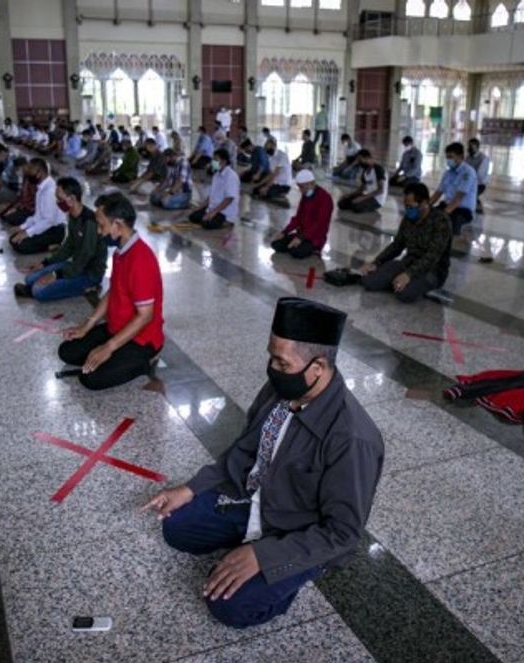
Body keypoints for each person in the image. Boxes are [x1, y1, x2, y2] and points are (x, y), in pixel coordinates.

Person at [142, 297, 384, 629]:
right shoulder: (279, 390)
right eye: (271, 357)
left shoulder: (352, 438)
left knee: (230, 607)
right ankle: (248, 542)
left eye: (282, 363)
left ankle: (290, 570)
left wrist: (264, 556)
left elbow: (342, 533)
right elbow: (243, 454)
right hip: (259, 500)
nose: (272, 369)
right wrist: (191, 488)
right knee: (177, 527)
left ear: (318, 367)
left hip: (300, 531)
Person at [58, 192, 164, 391]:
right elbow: (114, 290)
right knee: (67, 351)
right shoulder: (120, 252)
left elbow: (145, 316)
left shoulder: (141, 260)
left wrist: (108, 347)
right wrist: (87, 325)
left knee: (91, 378)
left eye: (102, 225)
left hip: (141, 339)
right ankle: (115, 351)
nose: (99, 232)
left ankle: (146, 361)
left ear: (118, 225)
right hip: (117, 328)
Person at [14, 177, 108, 302]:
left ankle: (90, 286)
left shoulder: (89, 221)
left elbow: (85, 256)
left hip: (89, 272)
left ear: (72, 199)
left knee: (38, 291)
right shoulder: (73, 216)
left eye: (59, 198)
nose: (57, 202)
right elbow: (68, 245)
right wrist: (46, 263)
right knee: (30, 279)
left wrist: (56, 275)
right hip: (76, 265)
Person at [359, 183, 452, 303]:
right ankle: (397, 281)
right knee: (369, 281)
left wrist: (408, 274)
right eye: (406, 206)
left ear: (424, 203)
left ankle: (406, 283)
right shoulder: (409, 219)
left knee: (404, 294)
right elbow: (397, 245)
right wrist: (377, 262)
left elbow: (432, 256)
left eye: (411, 206)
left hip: (433, 270)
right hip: (408, 262)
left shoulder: (441, 221)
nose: (408, 210)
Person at [7, 158, 67, 254]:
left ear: (40, 173)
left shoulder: (50, 191)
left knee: (21, 245)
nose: (28, 173)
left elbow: (49, 221)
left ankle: (52, 245)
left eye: (31, 170)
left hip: (55, 230)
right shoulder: (41, 187)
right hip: (45, 225)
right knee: (13, 239)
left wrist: (27, 233)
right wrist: (22, 227)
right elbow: (38, 216)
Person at [270, 170, 333, 259]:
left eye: (302, 187)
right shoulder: (306, 195)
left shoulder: (325, 198)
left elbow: (319, 224)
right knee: (276, 244)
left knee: (296, 252)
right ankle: (299, 245)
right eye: (299, 187)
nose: (300, 190)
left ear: (311, 183)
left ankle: (314, 249)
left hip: (314, 237)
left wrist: (301, 238)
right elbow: (298, 217)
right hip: (301, 234)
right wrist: (284, 232)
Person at [429, 142, 477, 234]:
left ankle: (452, 245)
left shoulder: (468, 172)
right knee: (429, 217)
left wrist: (444, 213)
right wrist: (427, 205)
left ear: (461, 157)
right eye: (447, 157)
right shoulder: (448, 173)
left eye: (451, 157)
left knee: (451, 224)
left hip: (463, 210)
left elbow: (459, 197)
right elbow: (438, 192)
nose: (448, 160)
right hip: (447, 205)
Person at [190, 148, 240, 230]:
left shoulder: (231, 176)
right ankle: (211, 216)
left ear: (223, 161)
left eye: (216, 159)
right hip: (213, 207)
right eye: (213, 159)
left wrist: (213, 212)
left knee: (206, 223)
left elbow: (229, 199)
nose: (213, 162)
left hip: (224, 212)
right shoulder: (216, 175)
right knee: (193, 217)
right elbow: (211, 195)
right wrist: (200, 207)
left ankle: (227, 222)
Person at [337, 150, 386, 214]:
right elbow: (361, 189)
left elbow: (381, 190)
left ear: (367, 158)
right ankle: (356, 204)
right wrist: (348, 195)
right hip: (367, 195)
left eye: (360, 160)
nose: (359, 162)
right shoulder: (365, 172)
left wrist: (362, 198)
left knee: (356, 207)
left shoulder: (378, 169)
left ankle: (359, 204)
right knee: (341, 203)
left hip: (376, 200)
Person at [251, 139, 293, 208]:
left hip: (284, 185)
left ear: (274, 146)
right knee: (256, 190)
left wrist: (266, 187)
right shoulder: (270, 158)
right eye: (266, 148)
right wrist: (258, 184)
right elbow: (270, 175)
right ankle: (275, 193)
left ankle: (282, 194)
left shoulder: (282, 156)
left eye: (269, 147)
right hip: (275, 183)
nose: (267, 150)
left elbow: (275, 174)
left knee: (265, 193)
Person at [466, 138, 491, 213]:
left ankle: (477, 206)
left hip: (479, 184)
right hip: (469, 182)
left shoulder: (483, 159)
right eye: (469, 146)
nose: (469, 148)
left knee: (468, 194)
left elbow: (481, 175)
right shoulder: (468, 157)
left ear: (477, 147)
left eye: (471, 147)